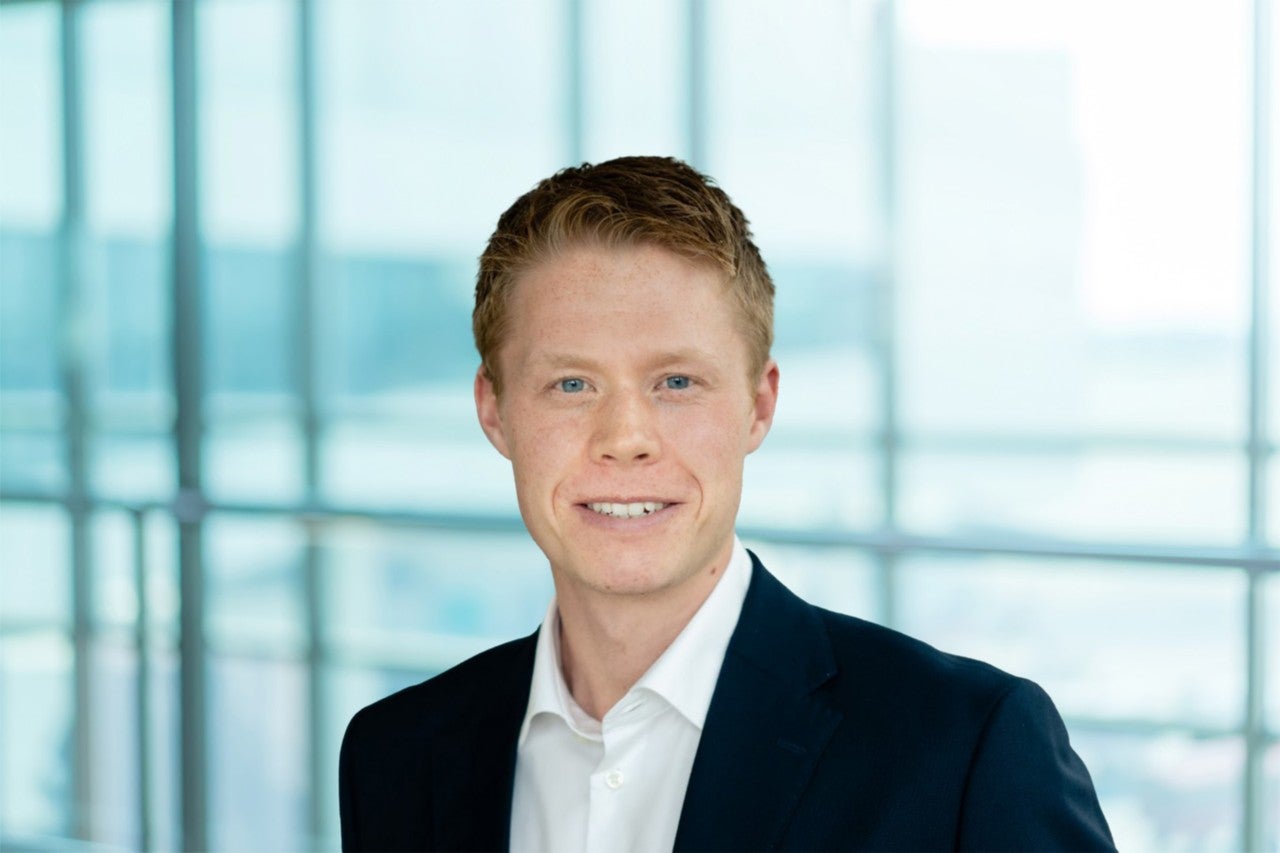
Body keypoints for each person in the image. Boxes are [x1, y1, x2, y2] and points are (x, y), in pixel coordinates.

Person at [338, 156, 1115, 852]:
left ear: (758, 406)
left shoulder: (964, 750)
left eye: (676, 382)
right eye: (571, 383)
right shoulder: (395, 755)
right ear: (495, 410)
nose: (625, 438)